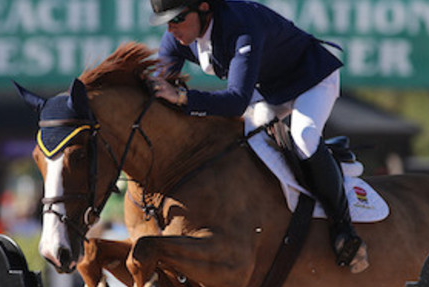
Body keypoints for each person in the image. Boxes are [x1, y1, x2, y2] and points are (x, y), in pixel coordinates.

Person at [148, 0, 368, 272]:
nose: (171, 30)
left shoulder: (241, 25)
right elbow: (157, 88)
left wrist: (182, 97)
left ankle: (343, 229)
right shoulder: (176, 39)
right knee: (243, 139)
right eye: (166, 23)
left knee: (303, 136)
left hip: (310, 80)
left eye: (178, 19)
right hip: (267, 88)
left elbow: (236, 101)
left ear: (204, 7)